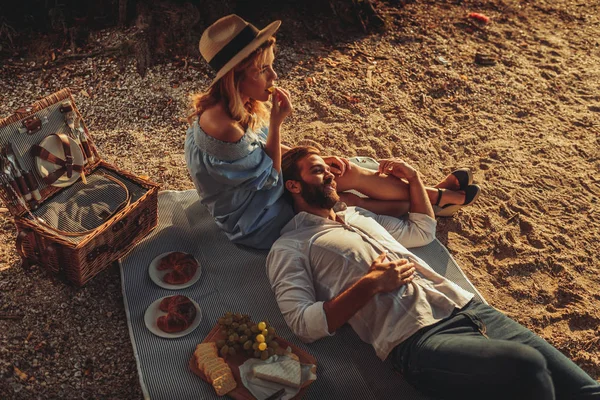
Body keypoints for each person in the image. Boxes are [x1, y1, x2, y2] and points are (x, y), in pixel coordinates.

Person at [265, 146, 600, 399]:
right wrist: (370, 284)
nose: (331, 175)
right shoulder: (291, 246)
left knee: (585, 391)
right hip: (418, 340)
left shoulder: (358, 215)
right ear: (294, 186)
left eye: (329, 170)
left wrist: (414, 179)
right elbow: (302, 323)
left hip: (468, 309)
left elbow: (422, 230)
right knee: (527, 366)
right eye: (318, 171)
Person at [185, 14, 479, 249]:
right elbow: (269, 176)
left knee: (344, 171)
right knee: (344, 198)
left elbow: (260, 151)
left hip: (260, 191)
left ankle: (433, 198)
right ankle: (436, 200)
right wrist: (276, 123)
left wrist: (318, 159)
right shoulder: (224, 128)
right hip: (256, 219)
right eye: (263, 70)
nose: (273, 77)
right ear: (236, 75)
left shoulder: (230, 104)